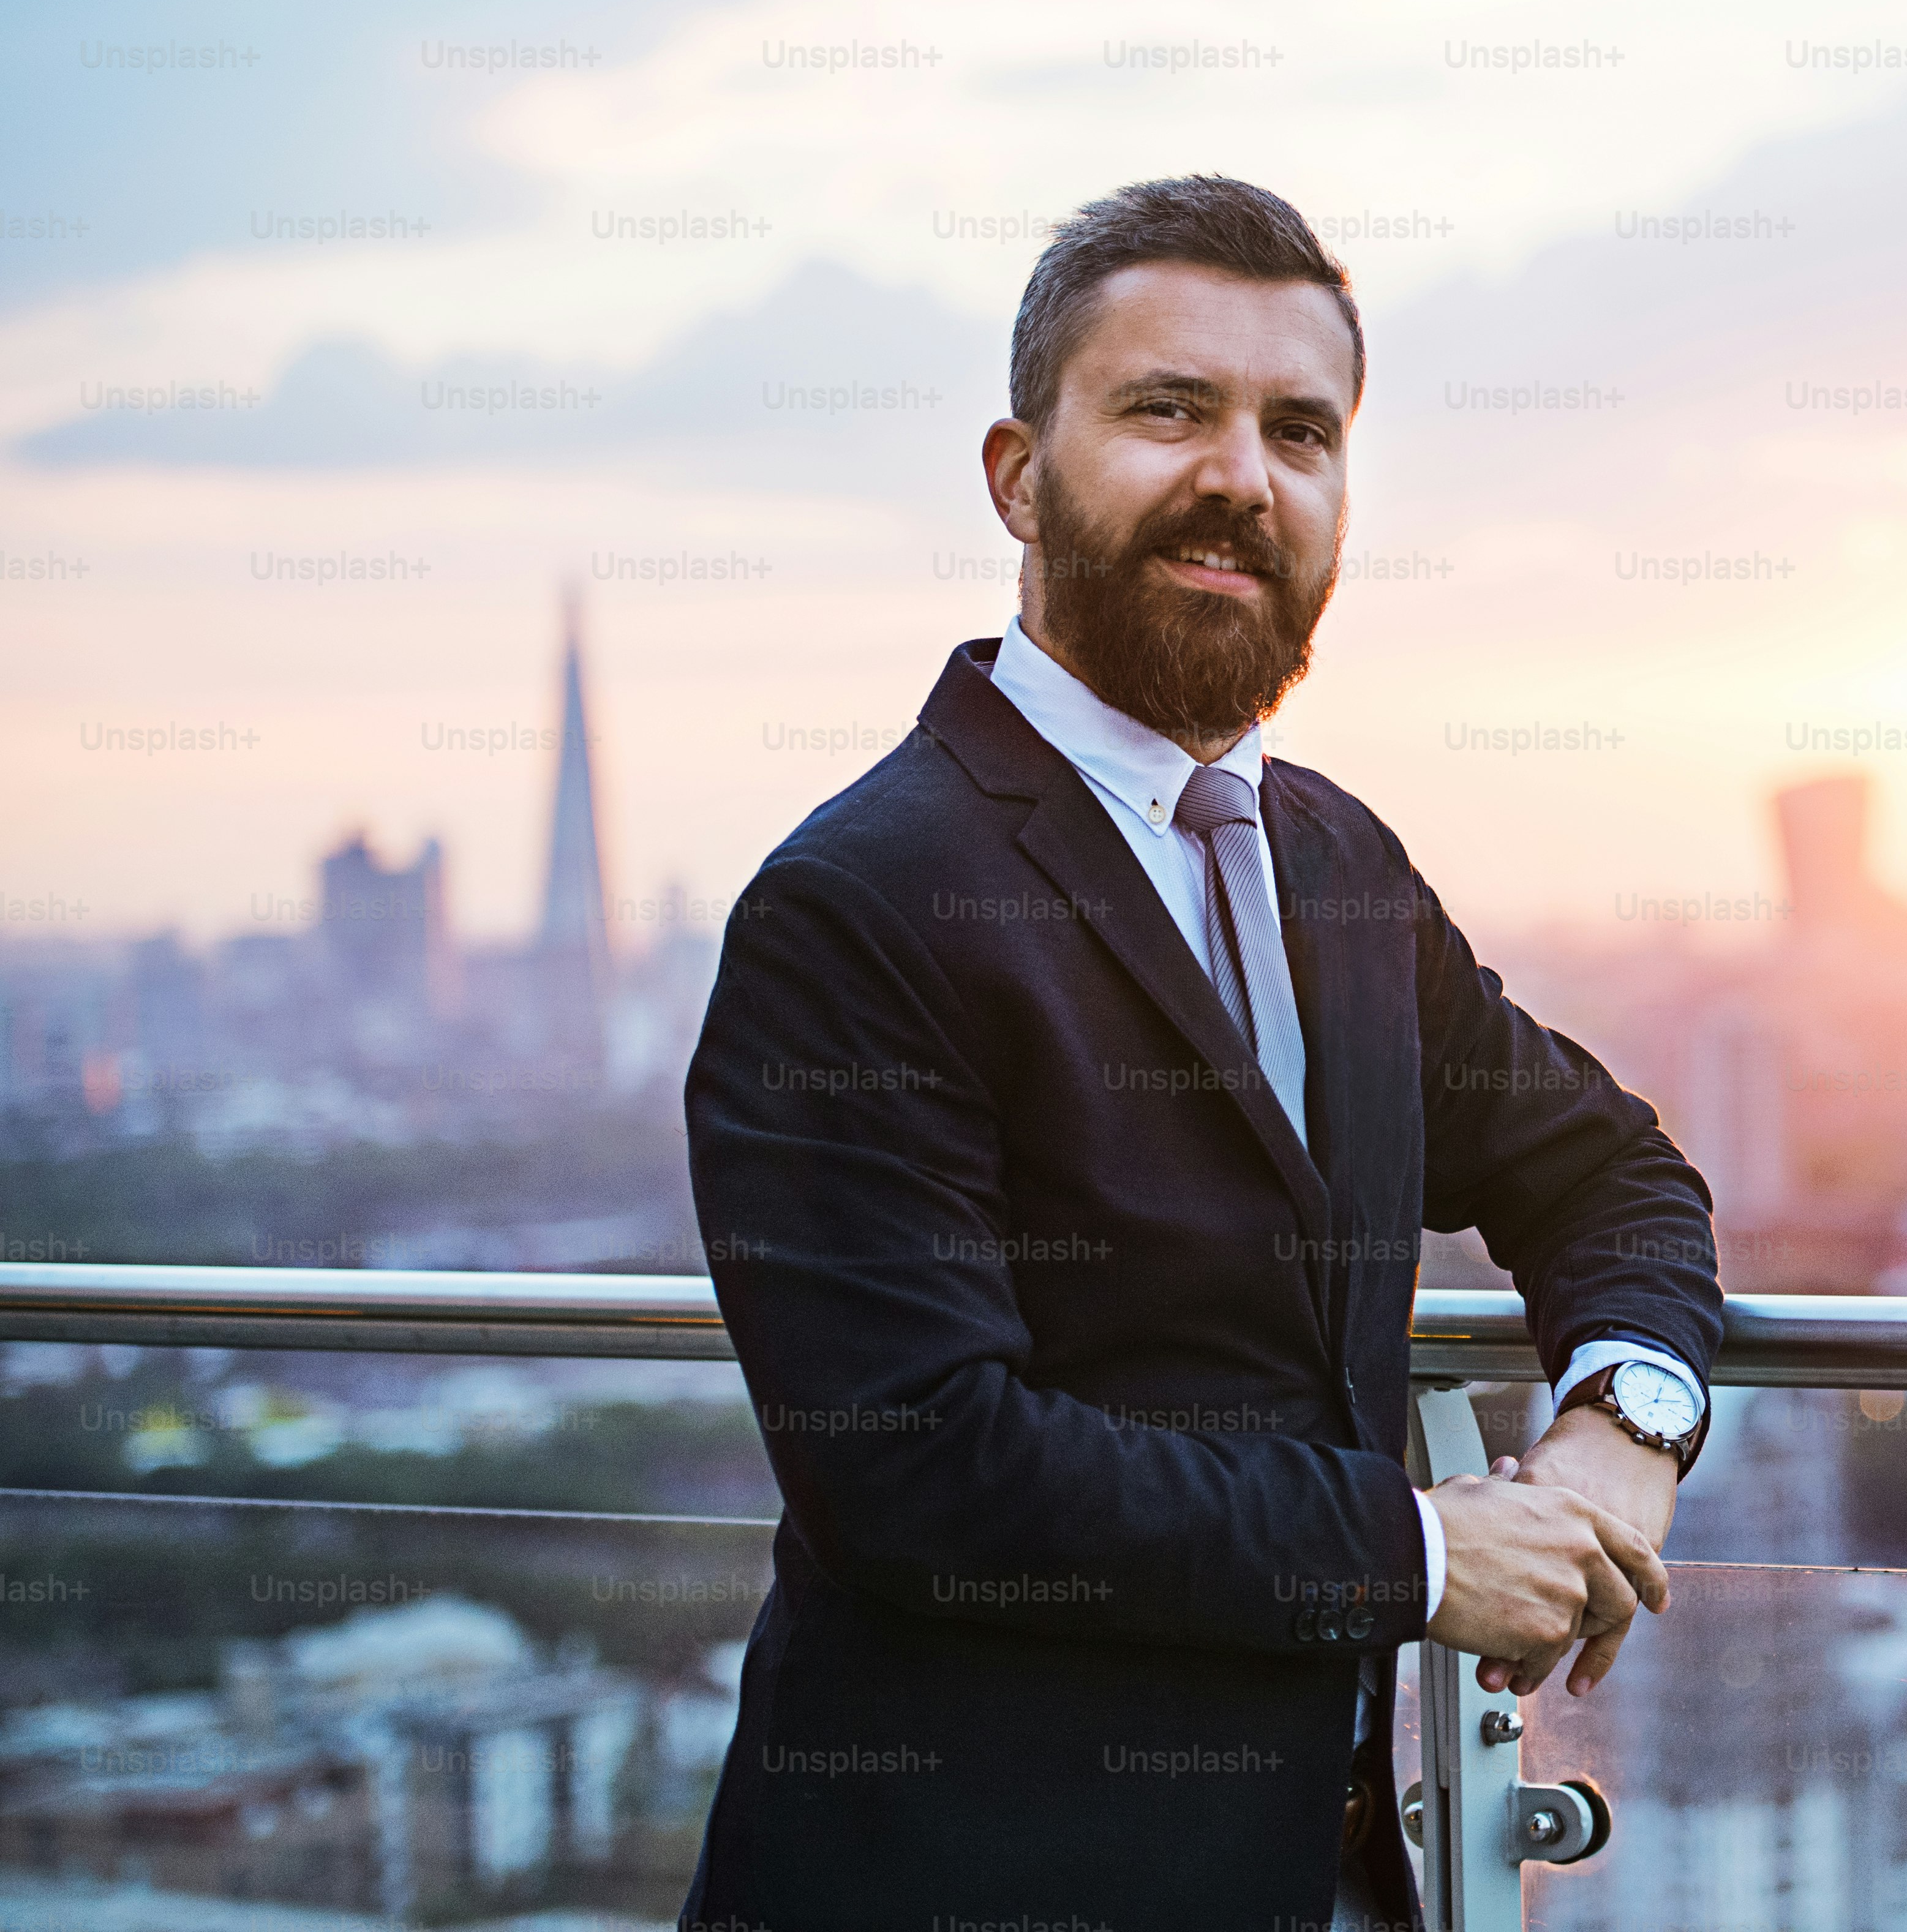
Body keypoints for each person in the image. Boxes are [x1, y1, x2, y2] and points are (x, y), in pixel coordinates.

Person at [679, 175, 1724, 1931]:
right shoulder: (857, 903)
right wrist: (1421, 1549)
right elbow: (917, 1463)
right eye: (1170, 410)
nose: (1242, 475)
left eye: (1299, 431)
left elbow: (1608, 1169)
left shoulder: (1336, 863)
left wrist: (1626, 1418)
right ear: (1019, 474)